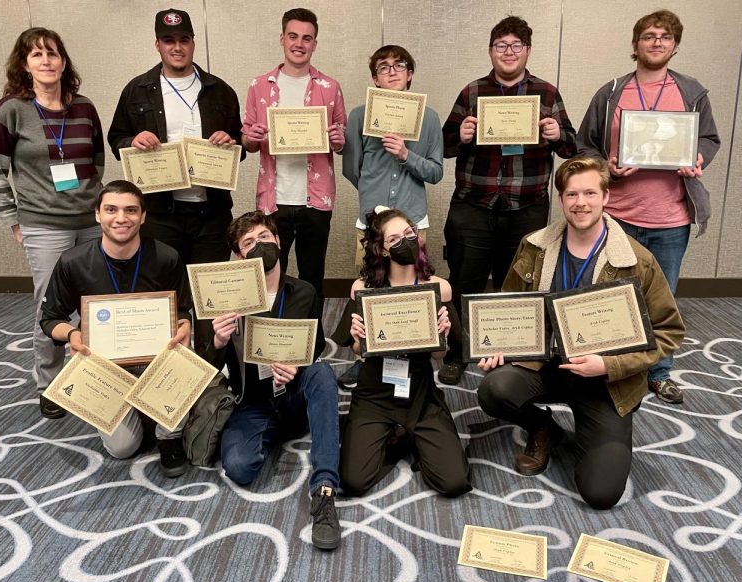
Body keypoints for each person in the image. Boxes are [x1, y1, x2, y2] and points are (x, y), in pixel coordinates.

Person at [476, 157, 684, 510]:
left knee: (601, 493)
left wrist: (609, 366)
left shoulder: (637, 260)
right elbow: (508, 306)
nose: (580, 203)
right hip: (546, 366)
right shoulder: (535, 246)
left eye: (590, 192)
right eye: (571, 194)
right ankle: (544, 428)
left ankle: (591, 432)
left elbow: (667, 332)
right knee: (494, 390)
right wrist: (501, 346)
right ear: (561, 200)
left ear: (606, 197)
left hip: (605, 381)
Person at [577, 9, 719, 404]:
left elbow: (708, 138)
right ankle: (605, 363)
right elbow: (584, 143)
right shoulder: (611, 92)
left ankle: (659, 372)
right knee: (606, 294)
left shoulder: (692, 92)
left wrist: (699, 158)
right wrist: (606, 166)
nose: (657, 42)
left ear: (674, 46)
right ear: (635, 44)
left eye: (665, 37)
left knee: (662, 298)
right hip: (618, 214)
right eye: (649, 35)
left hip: (671, 217)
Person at [440, 15, 577, 386]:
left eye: (516, 45)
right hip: (473, 204)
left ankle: (506, 351)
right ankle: (455, 350)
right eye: (501, 45)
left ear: (527, 51)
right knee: (463, 279)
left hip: (526, 207)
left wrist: (555, 131)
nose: (509, 52)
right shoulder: (471, 92)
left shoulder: (547, 93)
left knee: (515, 282)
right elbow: (444, 145)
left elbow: (571, 146)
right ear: (491, 51)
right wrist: (463, 134)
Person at [0, 27, 105, 420]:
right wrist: (13, 221)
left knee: (96, 303)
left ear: (64, 61)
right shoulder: (11, 110)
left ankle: (97, 376)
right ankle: (51, 384)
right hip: (44, 225)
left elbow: (97, 162)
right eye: (37, 55)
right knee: (50, 307)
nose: (46, 61)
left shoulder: (84, 107)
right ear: (24, 64)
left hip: (89, 222)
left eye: (52, 54)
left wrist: (97, 208)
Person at [107, 8, 243, 355]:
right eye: (169, 41)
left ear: (193, 43)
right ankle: (165, 370)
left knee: (208, 300)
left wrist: (231, 143)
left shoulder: (220, 91)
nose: (177, 47)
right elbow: (117, 138)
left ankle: (207, 373)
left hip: (210, 215)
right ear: (157, 45)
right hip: (161, 214)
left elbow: (240, 146)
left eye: (184, 40)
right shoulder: (137, 90)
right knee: (163, 295)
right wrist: (132, 143)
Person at [203, 211, 341, 551]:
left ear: (278, 242)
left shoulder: (304, 292)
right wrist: (219, 341)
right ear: (239, 256)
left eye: (265, 237)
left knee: (322, 372)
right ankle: (272, 434)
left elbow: (317, 346)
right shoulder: (225, 298)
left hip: (294, 395)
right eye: (248, 242)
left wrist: (296, 365)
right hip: (253, 401)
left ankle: (324, 490)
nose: (259, 245)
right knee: (239, 467)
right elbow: (205, 368)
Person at [40, 180, 195, 477]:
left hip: (155, 360)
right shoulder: (73, 262)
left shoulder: (166, 257)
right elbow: (49, 319)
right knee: (122, 448)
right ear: (98, 214)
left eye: (130, 210)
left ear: (143, 216)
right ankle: (138, 410)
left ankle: (169, 437)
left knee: (185, 346)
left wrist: (185, 325)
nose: (121, 218)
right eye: (111, 209)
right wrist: (72, 334)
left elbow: (184, 309)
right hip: (104, 364)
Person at [332, 207, 471, 498]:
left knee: (454, 482)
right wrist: (359, 338)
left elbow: (439, 358)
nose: (405, 241)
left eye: (409, 234)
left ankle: (405, 435)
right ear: (381, 250)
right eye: (394, 239)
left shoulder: (438, 288)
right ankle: (395, 436)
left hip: (420, 391)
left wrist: (442, 338)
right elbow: (358, 351)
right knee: (354, 481)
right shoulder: (364, 289)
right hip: (375, 391)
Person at [338, 44, 444, 389]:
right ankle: (364, 355)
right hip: (370, 225)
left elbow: (435, 172)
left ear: (410, 74)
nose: (393, 71)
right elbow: (353, 170)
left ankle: (411, 356)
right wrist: (375, 205)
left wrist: (405, 155)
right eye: (384, 67)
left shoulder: (429, 118)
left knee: (410, 293)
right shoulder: (358, 117)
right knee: (369, 291)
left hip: (413, 222)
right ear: (375, 79)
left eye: (400, 65)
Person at [242, 7, 347, 310]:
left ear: (315, 44)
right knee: (271, 272)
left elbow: (340, 139)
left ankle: (312, 341)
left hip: (316, 198)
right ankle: (275, 336)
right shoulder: (259, 86)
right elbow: (247, 141)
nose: (299, 43)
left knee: (313, 274)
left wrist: (339, 140)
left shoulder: (330, 87)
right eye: (293, 36)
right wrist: (254, 137)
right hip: (273, 199)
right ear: (282, 39)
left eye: (307, 38)